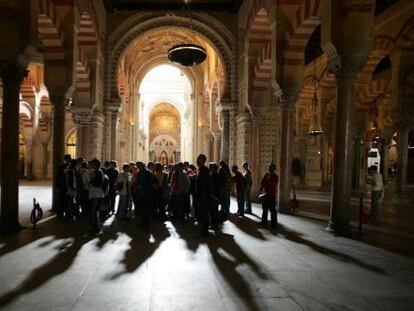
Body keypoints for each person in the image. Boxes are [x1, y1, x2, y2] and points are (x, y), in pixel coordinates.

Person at [195, 154, 212, 236]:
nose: (197, 160)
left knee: (204, 214)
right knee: (202, 214)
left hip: (203, 197)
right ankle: (203, 230)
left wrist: (205, 197)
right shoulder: (200, 170)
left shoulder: (205, 170)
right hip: (200, 196)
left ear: (203, 160)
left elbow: (207, 185)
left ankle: (204, 231)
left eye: (199, 159)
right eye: (197, 159)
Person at [88, 159, 106, 234]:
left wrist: (90, 179)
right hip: (95, 194)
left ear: (95, 164)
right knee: (93, 211)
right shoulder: (96, 171)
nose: (91, 165)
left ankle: (96, 228)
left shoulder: (98, 172)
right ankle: (94, 227)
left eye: (92, 163)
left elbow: (97, 184)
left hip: (97, 194)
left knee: (94, 212)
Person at [259, 163, 279, 228]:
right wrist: (263, 187)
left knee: (272, 210)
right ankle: (264, 221)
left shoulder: (275, 176)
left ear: (274, 169)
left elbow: (272, 185)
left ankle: (273, 223)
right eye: (268, 167)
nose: (269, 168)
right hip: (265, 194)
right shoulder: (266, 175)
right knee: (264, 209)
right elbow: (262, 182)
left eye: (271, 167)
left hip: (271, 195)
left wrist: (266, 182)